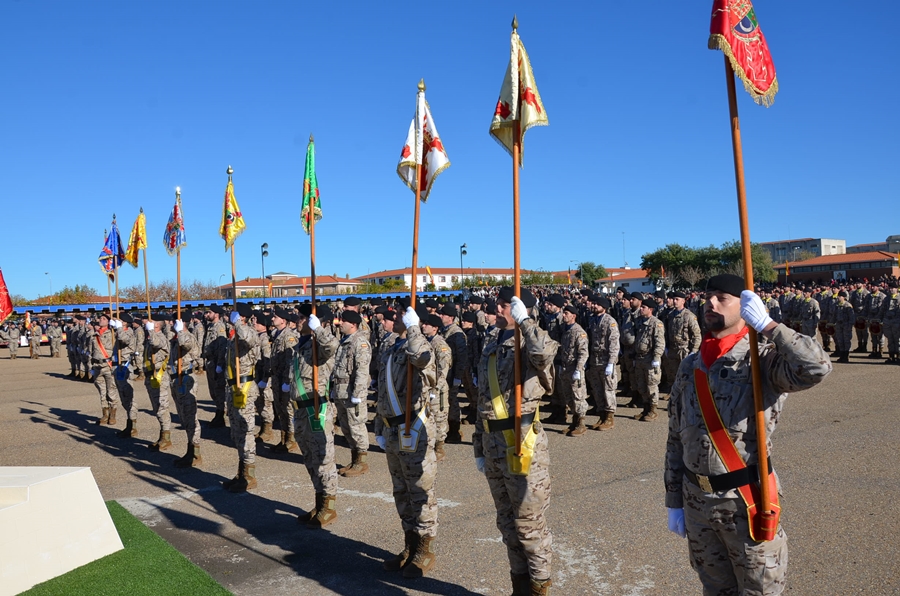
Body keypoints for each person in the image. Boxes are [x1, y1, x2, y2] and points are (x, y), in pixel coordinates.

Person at [665, 274, 831, 595]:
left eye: (723, 298)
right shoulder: (690, 364)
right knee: (715, 588)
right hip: (696, 500)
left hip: (744, 501)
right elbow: (675, 435)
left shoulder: (763, 358)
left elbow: (816, 367)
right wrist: (674, 499)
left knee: (758, 590)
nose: (711, 303)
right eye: (708, 296)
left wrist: (769, 326)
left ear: (746, 307)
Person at [473, 288, 556, 596]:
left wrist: (526, 322)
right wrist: (478, 445)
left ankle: (538, 588)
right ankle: (519, 588)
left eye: (505, 304)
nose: (497, 308)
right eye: (498, 303)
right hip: (493, 443)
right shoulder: (491, 342)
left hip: (523, 443)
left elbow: (543, 356)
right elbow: (484, 397)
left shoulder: (531, 339)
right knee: (508, 525)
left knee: (529, 525)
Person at [374, 303, 439, 579]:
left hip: (413, 428)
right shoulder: (390, 347)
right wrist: (378, 426)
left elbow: (422, 360)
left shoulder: (421, 345)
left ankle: (424, 550)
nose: (393, 319)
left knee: (419, 490)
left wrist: (415, 328)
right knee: (401, 491)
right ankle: (410, 546)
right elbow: (382, 392)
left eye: (399, 315)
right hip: (392, 429)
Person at [287, 304, 341, 528]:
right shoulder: (302, 345)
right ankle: (319, 501)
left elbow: (332, 345)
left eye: (303, 317)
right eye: (300, 317)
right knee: (310, 458)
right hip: (300, 409)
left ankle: (329, 507)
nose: (299, 320)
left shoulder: (321, 343)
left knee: (323, 459)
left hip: (317, 408)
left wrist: (318, 329)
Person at [222, 303, 261, 493]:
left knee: (246, 432)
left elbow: (247, 338)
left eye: (236, 315)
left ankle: (249, 475)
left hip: (245, 387)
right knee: (236, 432)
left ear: (243, 317)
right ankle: (241, 472)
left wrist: (239, 324)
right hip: (233, 387)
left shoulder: (250, 332)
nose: (231, 316)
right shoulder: (234, 337)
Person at [332, 309, 372, 477]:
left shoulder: (360, 343)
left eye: (344, 321)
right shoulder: (344, 341)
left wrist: (358, 393)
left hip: (352, 392)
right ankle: (354, 459)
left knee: (356, 426)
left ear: (353, 324)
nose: (340, 323)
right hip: (341, 391)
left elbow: (362, 370)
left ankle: (361, 462)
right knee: (347, 427)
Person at [171, 313, 203, 467]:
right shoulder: (176, 337)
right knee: (183, 416)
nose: (171, 323)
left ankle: (195, 453)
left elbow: (187, 345)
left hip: (186, 379)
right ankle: (190, 449)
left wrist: (180, 331)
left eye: (174, 321)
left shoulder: (187, 336)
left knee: (190, 417)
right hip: (176, 379)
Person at [585, 296, 619, 431]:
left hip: (606, 360)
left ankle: (609, 417)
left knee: (608, 389)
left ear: (603, 307)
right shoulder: (593, 320)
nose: (594, 306)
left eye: (597, 304)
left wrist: (611, 363)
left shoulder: (610, 322)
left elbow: (614, 344)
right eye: (593, 304)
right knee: (597, 389)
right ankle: (602, 415)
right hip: (594, 360)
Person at [421, 313, 452, 461]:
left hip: (437, 389)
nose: (423, 326)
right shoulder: (426, 342)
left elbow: (443, 369)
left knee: (439, 416)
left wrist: (436, 389)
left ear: (435, 328)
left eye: (427, 324)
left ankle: (439, 447)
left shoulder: (440, 344)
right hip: (427, 387)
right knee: (429, 416)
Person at [269, 306, 300, 451]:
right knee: (280, 409)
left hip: (285, 379)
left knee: (288, 409)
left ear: (283, 320)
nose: (272, 319)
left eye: (275, 317)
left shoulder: (288, 336)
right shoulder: (277, 334)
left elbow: (291, 360)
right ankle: (283, 438)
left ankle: (291, 439)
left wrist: (288, 381)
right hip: (277, 378)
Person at [557, 305, 589, 437]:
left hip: (575, 369)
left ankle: (581, 423)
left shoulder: (578, 332)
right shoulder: (566, 330)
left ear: (573, 316)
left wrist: (579, 369)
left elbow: (583, 353)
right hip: (565, 368)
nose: (563, 315)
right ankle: (574, 422)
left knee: (578, 397)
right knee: (568, 396)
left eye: (566, 313)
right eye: (563, 313)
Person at [632, 298, 666, 421]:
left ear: (650, 309)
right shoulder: (640, 322)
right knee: (641, 385)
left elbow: (659, 342)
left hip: (650, 358)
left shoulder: (656, 323)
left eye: (644, 307)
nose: (641, 309)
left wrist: (656, 358)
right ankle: (645, 408)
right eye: (641, 307)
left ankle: (653, 410)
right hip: (640, 358)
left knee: (652, 385)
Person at [439, 304, 468, 443]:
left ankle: (455, 430)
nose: (440, 316)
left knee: (452, 402)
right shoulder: (444, 331)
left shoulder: (457, 333)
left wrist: (458, 377)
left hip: (452, 374)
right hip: (446, 374)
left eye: (443, 314)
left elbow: (462, 357)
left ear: (450, 317)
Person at [662, 291, 702, 394]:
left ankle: (686, 395)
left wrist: (693, 351)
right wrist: (666, 346)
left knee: (685, 375)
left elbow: (697, 335)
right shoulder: (670, 315)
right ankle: (673, 393)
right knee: (672, 374)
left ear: (683, 301)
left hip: (684, 350)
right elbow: (667, 332)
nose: (674, 301)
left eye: (677, 299)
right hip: (672, 350)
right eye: (674, 299)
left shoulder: (689, 316)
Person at [143, 315, 173, 451]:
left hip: (160, 376)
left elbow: (155, 344)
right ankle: (162, 435)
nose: (148, 323)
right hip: (151, 376)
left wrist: (150, 331)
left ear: (157, 325)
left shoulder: (160, 337)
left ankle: (166, 438)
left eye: (152, 322)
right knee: (157, 408)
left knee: (162, 408)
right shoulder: (151, 337)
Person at [90, 313, 120, 426]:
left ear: (108, 321)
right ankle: (105, 414)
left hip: (108, 366)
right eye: (100, 318)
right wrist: (90, 367)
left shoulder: (112, 333)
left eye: (104, 319)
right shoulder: (95, 334)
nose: (100, 320)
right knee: (102, 392)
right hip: (97, 366)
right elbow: (91, 351)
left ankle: (113, 414)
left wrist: (117, 327)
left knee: (111, 391)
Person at [202, 306, 228, 428]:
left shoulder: (220, 327)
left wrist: (220, 364)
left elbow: (222, 348)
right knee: (213, 390)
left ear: (216, 314)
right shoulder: (211, 327)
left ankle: (220, 414)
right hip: (210, 362)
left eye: (209, 312)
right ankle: (218, 412)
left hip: (216, 362)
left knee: (218, 389)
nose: (207, 314)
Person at [832, 291, 856, 364]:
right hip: (839, 325)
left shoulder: (848, 305)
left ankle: (846, 355)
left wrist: (850, 325)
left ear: (844, 297)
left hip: (846, 325)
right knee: (840, 340)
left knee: (846, 340)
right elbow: (834, 315)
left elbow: (852, 317)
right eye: (838, 296)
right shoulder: (836, 305)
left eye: (840, 296)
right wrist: (832, 323)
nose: (838, 298)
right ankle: (842, 355)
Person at [880, 283, 900, 364]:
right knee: (890, 339)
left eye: (893, 288)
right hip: (888, 321)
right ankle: (891, 356)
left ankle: (898, 357)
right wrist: (880, 318)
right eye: (890, 288)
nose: (891, 290)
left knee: (898, 339)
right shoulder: (886, 298)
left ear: (897, 289)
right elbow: (882, 309)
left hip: (897, 321)